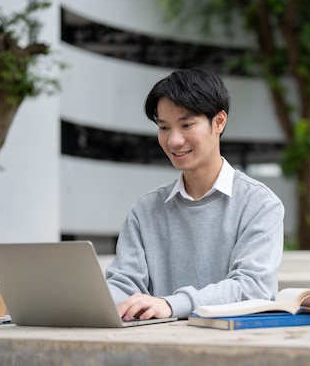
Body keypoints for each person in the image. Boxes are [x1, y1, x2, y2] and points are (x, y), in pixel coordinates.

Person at [105, 68, 285, 320]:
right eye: (164, 127)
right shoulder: (145, 210)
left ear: (219, 122)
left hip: (235, 347)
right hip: (157, 348)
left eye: (187, 125)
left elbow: (252, 288)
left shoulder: (260, 204)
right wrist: (84, 302)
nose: (174, 140)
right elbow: (124, 285)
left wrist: (171, 304)